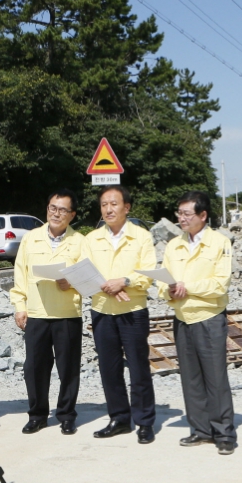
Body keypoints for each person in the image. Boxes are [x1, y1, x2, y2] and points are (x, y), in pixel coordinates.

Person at [163, 191, 237, 455]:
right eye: (179, 213)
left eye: (186, 214)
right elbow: (163, 280)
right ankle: (200, 429)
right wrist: (168, 291)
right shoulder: (173, 245)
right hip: (182, 318)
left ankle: (225, 433)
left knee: (215, 378)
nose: (181, 218)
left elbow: (220, 284)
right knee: (190, 378)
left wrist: (188, 287)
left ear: (202, 215)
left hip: (208, 318)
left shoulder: (220, 243)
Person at [82, 185, 156, 441]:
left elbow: (148, 275)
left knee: (138, 368)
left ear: (127, 207)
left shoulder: (141, 237)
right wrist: (109, 287)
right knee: (109, 369)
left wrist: (124, 280)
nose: (108, 209)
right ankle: (119, 418)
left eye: (114, 204)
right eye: (104, 204)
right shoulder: (91, 239)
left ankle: (144, 421)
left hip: (133, 311)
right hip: (101, 310)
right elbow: (85, 273)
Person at [10, 189, 86, 435]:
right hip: (37, 313)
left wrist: (72, 282)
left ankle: (66, 415)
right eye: (53, 208)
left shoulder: (80, 242)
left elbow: (89, 277)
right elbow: (20, 273)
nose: (56, 213)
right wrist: (20, 306)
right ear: (47, 209)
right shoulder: (30, 238)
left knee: (68, 369)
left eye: (63, 210)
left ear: (72, 215)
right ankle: (38, 415)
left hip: (67, 314)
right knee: (34, 369)